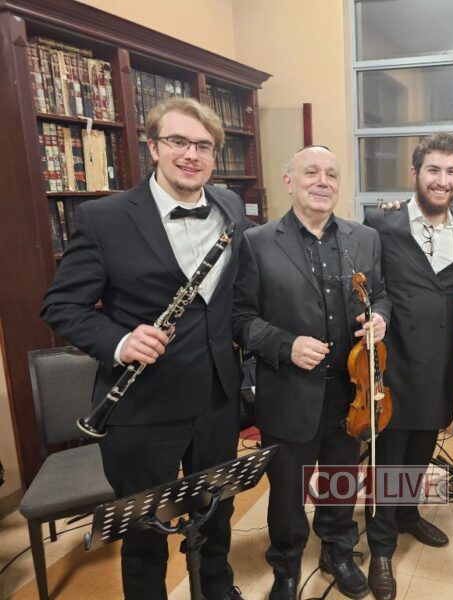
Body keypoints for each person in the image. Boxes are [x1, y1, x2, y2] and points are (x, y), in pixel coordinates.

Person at [41, 97, 251, 600]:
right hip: (141, 407)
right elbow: (61, 306)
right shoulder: (104, 217)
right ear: (153, 147)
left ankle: (218, 588)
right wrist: (120, 341)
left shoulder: (230, 206)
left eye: (203, 145)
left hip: (216, 399)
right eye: (178, 141)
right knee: (142, 534)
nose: (191, 154)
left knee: (217, 512)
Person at [232, 145, 389, 600]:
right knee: (286, 493)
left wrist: (380, 318)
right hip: (288, 391)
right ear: (289, 182)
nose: (323, 181)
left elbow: (381, 295)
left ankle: (338, 552)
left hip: (351, 391)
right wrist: (286, 345)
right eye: (312, 172)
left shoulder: (365, 238)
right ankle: (286, 564)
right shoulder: (256, 242)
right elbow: (240, 318)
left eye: (332, 174)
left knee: (341, 480)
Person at [363, 133, 453, 600]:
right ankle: (381, 547)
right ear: (415, 174)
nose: (442, 180)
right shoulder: (380, 224)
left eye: (451, 171)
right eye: (433, 170)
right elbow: (368, 287)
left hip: (440, 363)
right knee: (388, 458)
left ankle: (408, 514)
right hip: (393, 362)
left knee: (422, 447)